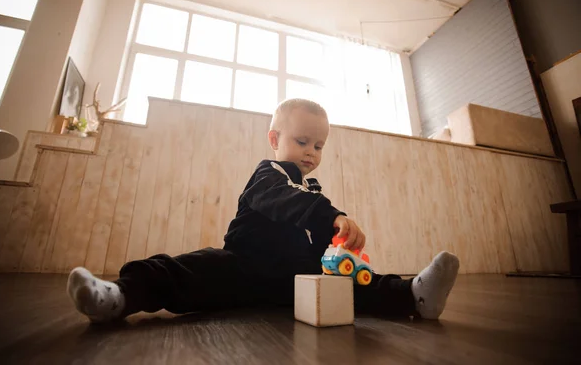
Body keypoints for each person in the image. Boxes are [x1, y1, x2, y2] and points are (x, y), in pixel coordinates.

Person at [67, 98, 459, 323]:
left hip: (297, 279)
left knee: (357, 283)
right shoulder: (269, 173)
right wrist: (332, 216)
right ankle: (118, 296)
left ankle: (413, 297)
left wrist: (339, 246)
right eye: (302, 141)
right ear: (275, 139)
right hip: (244, 266)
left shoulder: (314, 189)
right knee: (186, 269)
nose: (311, 152)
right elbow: (283, 199)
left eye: (319, 146)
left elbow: (320, 232)